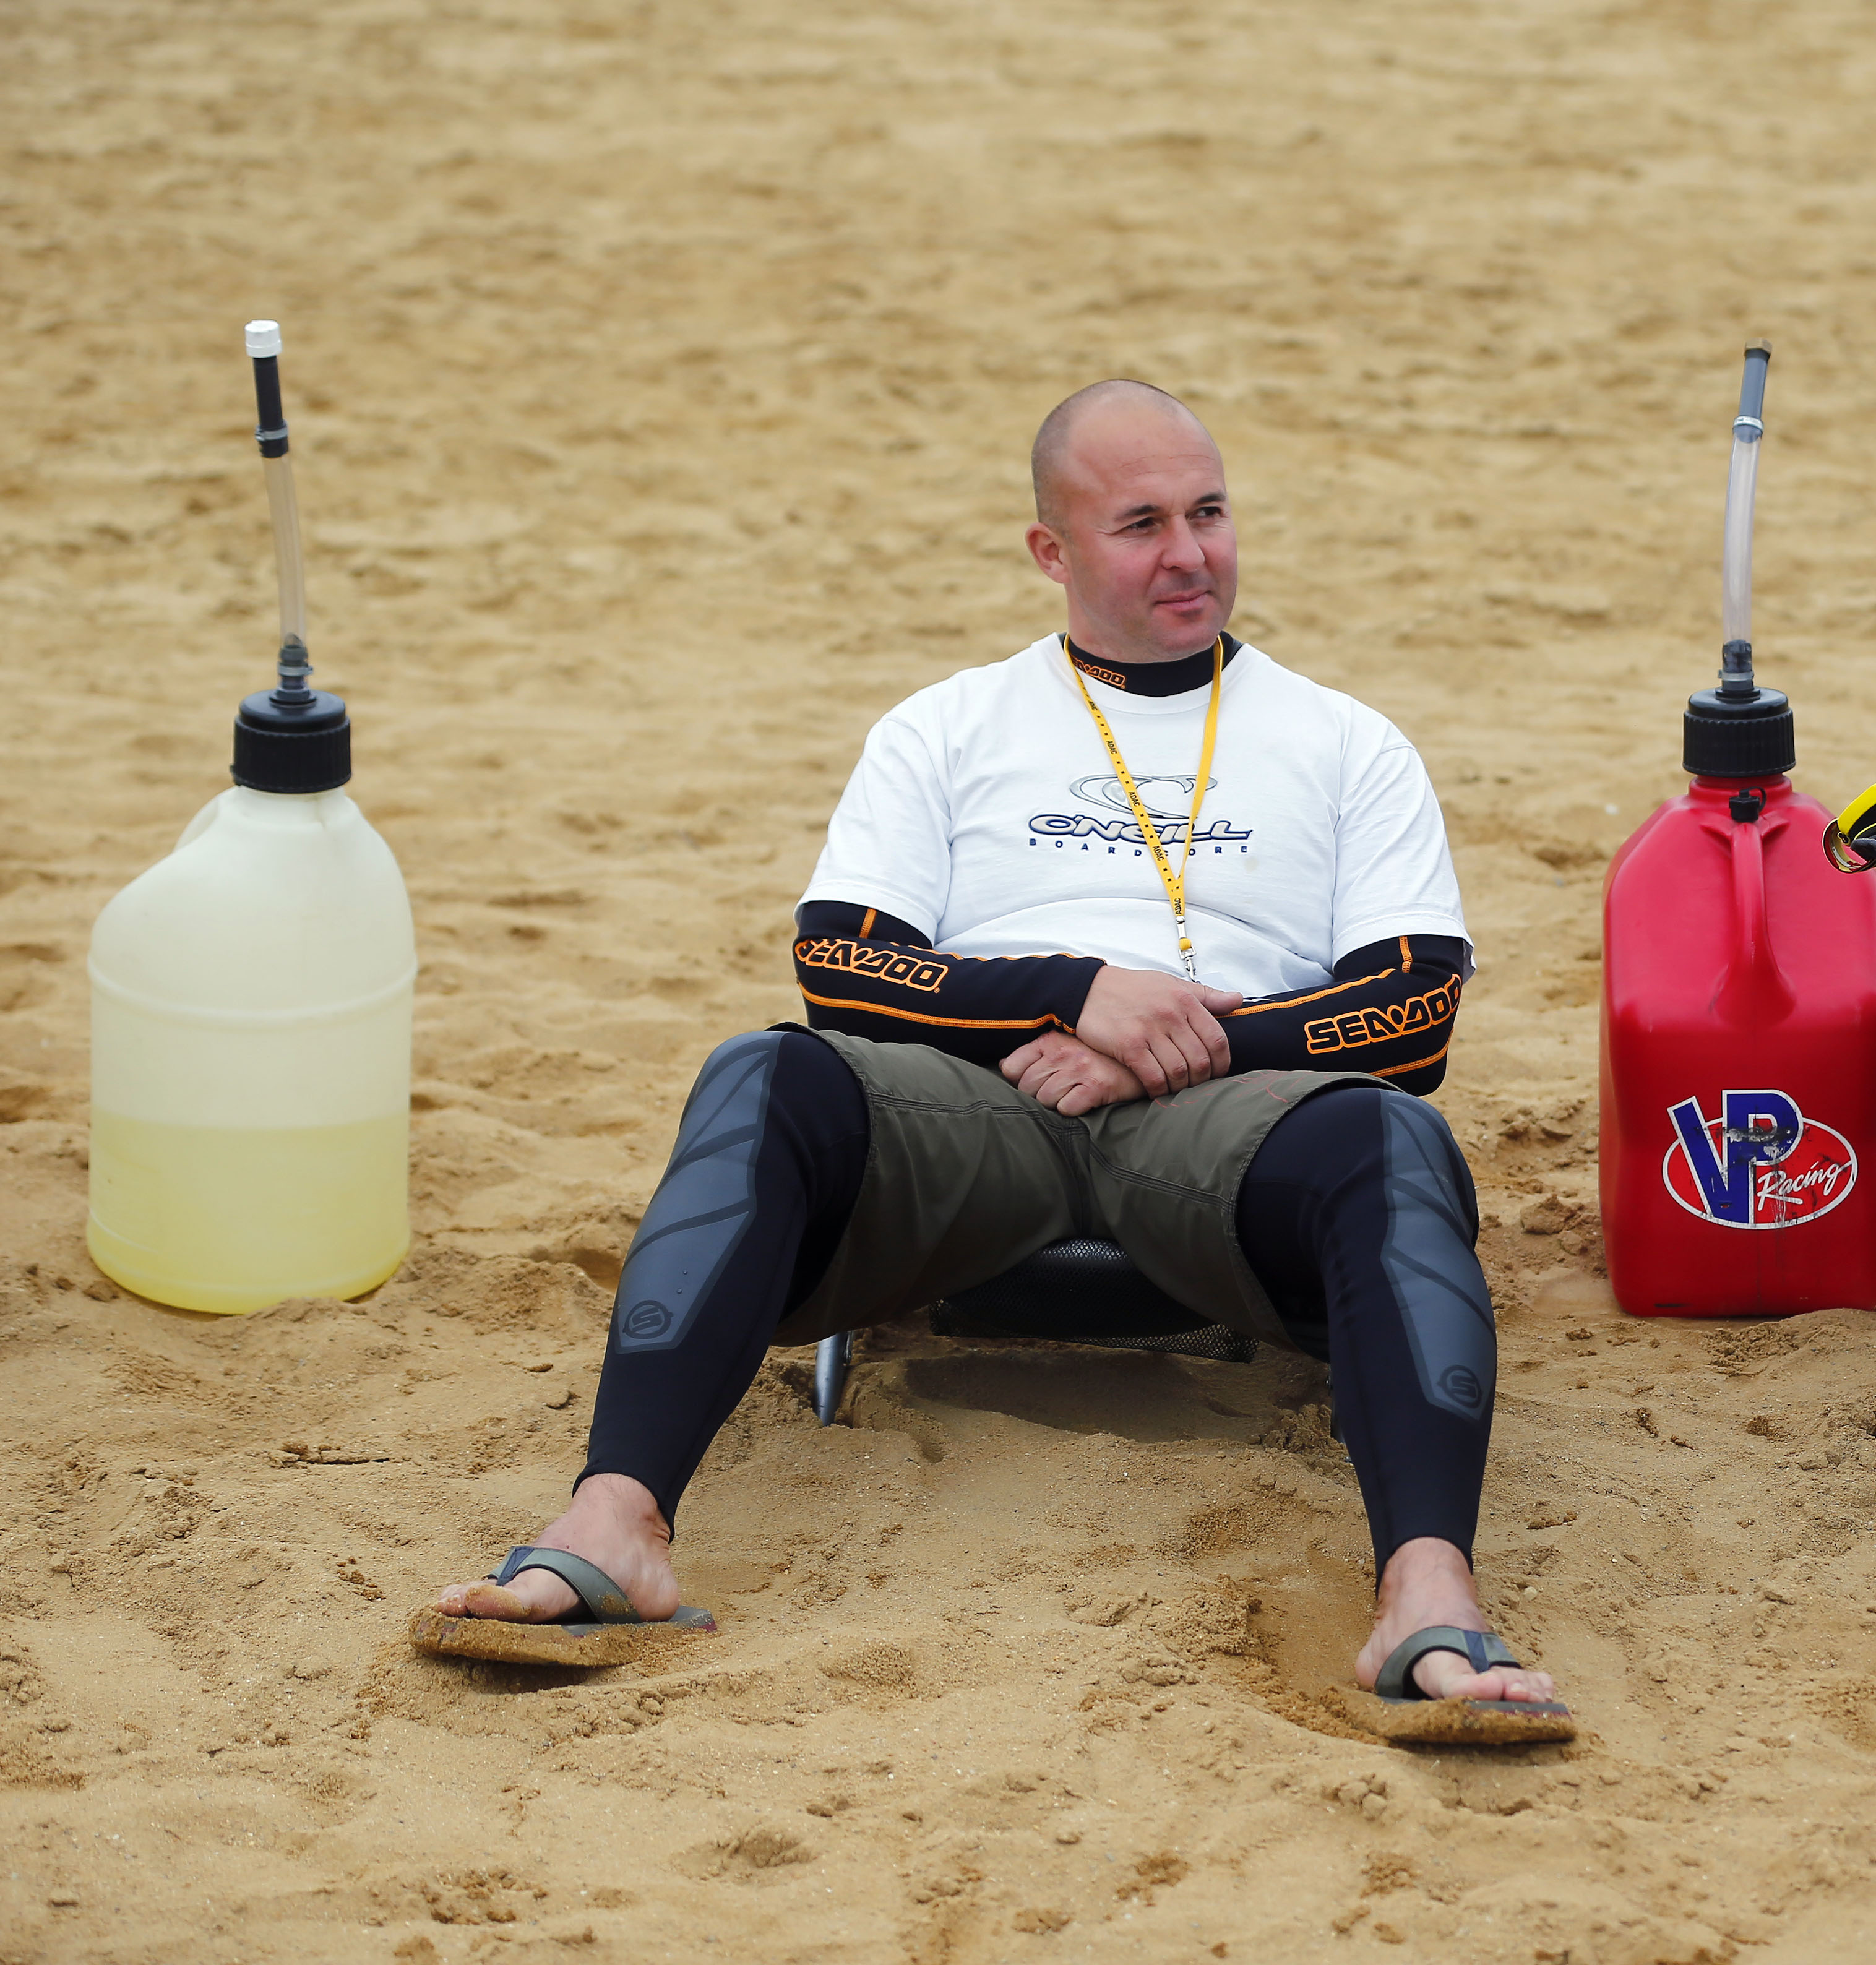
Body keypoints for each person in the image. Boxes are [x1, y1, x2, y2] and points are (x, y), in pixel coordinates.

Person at [421, 379, 1569, 1733]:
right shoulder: (949, 724)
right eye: (1141, 524)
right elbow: (840, 963)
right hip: (978, 1103)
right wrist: (1074, 994)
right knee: (763, 1071)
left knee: (1392, 1133)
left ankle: (1426, 1592)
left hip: (1236, 1118)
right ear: (1051, 550)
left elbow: (1413, 1009)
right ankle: (617, 1523)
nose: (1190, 553)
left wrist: (1168, 1045)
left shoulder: (1345, 740)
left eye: (1208, 513)